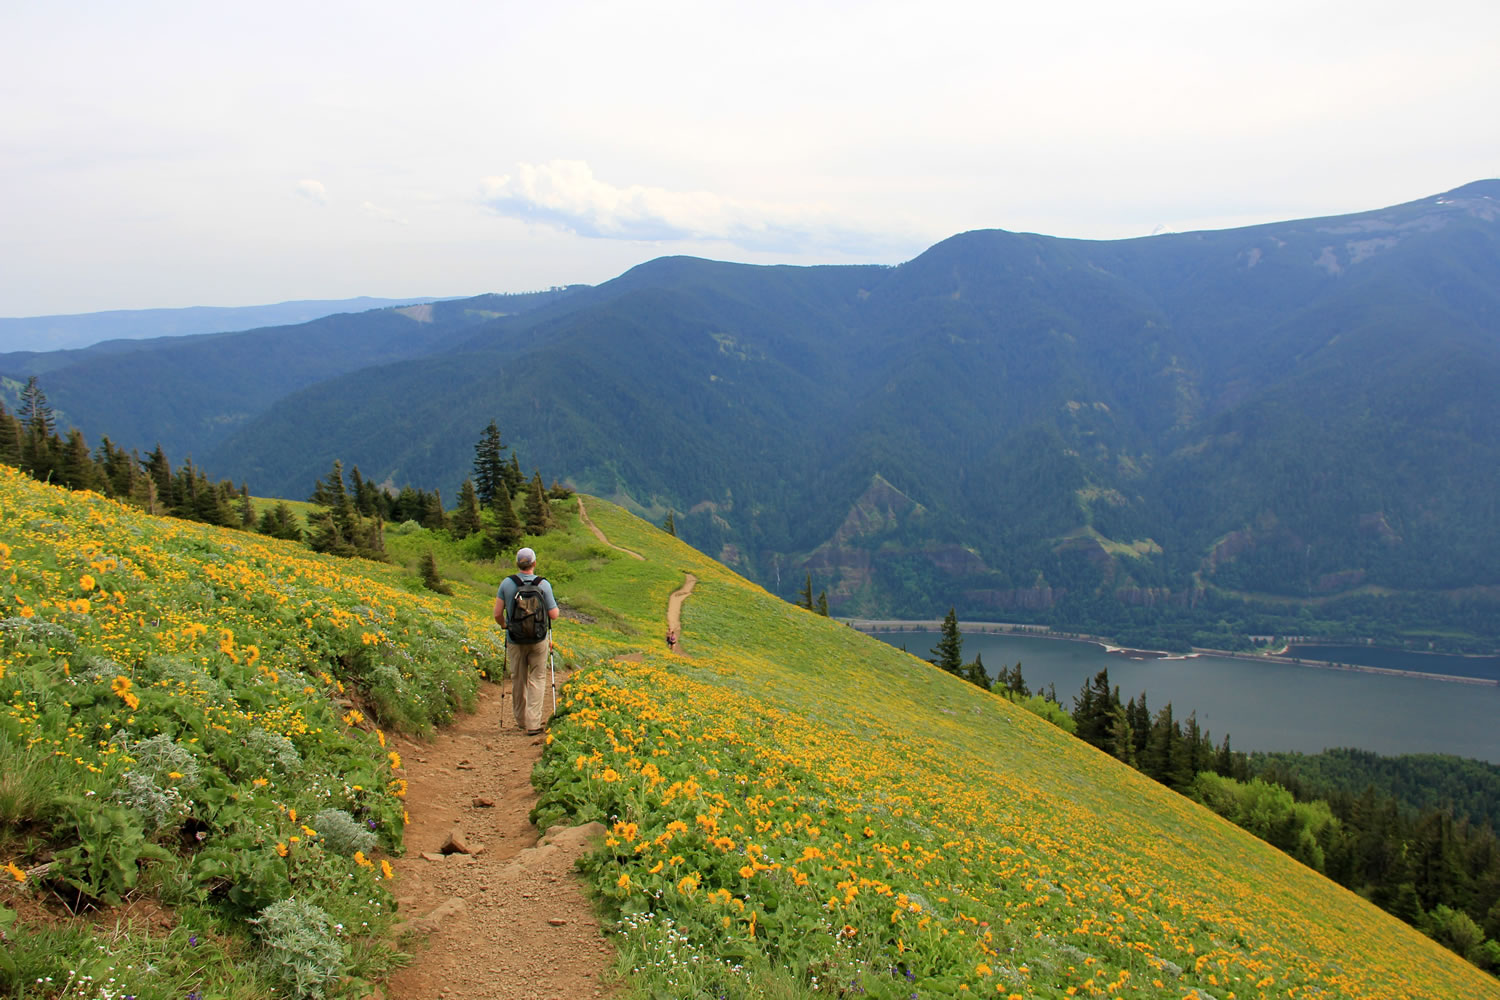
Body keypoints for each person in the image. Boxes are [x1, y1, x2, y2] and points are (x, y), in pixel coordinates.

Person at [493, 547, 560, 735]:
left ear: (517, 564)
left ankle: (520, 720)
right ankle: (533, 723)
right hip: (538, 639)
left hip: (515, 639)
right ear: (534, 564)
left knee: (518, 679)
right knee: (537, 678)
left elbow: (497, 613)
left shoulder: (507, 583)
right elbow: (553, 615)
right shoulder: (543, 584)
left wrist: (505, 625)